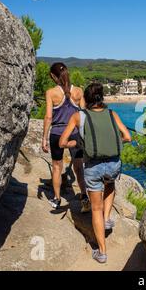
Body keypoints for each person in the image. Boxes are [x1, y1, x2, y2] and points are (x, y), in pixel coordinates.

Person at [59, 83, 131, 264]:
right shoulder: (112, 114)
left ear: (87, 98)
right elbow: (127, 137)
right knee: (110, 183)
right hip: (114, 164)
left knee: (95, 209)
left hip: (93, 166)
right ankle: (107, 219)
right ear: (102, 97)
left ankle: (102, 252)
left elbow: (62, 142)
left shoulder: (78, 116)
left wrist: (77, 144)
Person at [41, 63, 90, 213]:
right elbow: (84, 115)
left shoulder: (51, 93)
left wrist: (44, 138)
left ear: (54, 76)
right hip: (75, 134)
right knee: (78, 167)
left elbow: (49, 117)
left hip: (57, 134)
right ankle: (84, 198)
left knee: (57, 167)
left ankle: (57, 199)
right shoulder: (78, 91)